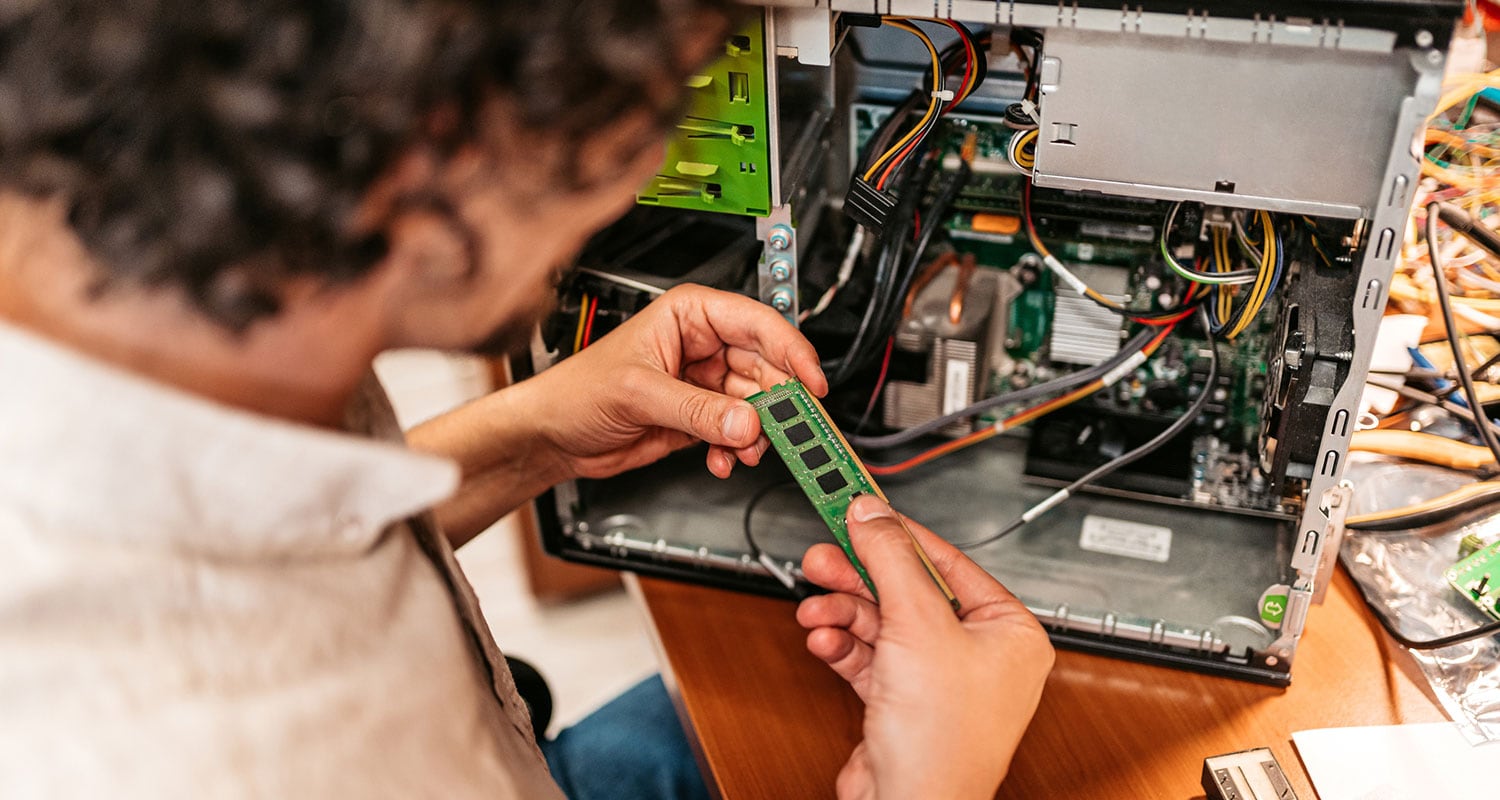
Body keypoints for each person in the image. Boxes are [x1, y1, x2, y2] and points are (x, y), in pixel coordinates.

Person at [0, 1, 1054, 798]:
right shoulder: (228, 756)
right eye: (667, 99)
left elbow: (293, 535)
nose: (653, 163)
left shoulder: (179, 284)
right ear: (452, 144)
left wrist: (531, 434)